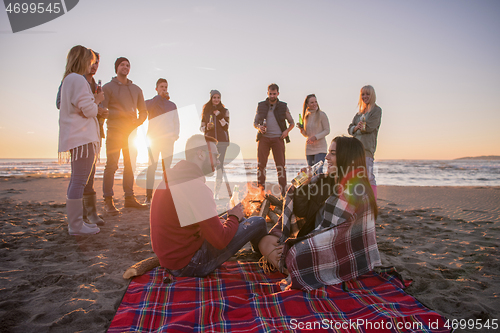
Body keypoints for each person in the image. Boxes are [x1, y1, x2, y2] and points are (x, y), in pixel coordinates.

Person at [258, 136, 381, 291]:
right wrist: (304, 186)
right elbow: (302, 213)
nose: (327, 157)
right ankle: (297, 270)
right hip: (311, 241)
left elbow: (340, 237)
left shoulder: (357, 191)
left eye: (333, 153)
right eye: (328, 152)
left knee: (296, 254)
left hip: (335, 251)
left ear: (347, 158)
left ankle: (295, 269)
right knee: (265, 242)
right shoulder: (322, 181)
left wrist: (296, 245)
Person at [150, 134, 267, 277]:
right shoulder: (196, 187)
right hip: (189, 265)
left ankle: (260, 252)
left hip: (171, 260)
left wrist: (230, 217)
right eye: (216, 155)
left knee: (233, 218)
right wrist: (234, 217)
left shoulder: (171, 180)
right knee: (258, 222)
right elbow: (220, 241)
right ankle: (263, 257)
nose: (218, 161)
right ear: (201, 154)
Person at [58, 45, 108, 235]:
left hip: (77, 138)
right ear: (84, 60)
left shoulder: (68, 80)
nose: (92, 64)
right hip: (83, 139)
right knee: (79, 181)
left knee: (76, 181)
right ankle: (76, 226)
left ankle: (77, 223)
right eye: (91, 61)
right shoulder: (78, 80)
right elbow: (89, 110)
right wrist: (97, 99)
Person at [102, 57, 148, 212]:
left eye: (128, 65)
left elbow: (143, 112)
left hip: (131, 134)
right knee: (112, 165)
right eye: (122, 65)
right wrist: (121, 113)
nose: (125, 67)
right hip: (114, 131)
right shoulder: (108, 88)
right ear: (116, 68)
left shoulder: (136, 89)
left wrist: (137, 122)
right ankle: (108, 201)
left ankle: (129, 198)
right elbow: (102, 110)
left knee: (130, 165)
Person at [253, 83, 294, 197]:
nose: (272, 96)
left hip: (278, 139)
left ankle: (284, 194)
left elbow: (292, 123)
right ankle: (260, 194)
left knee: (280, 166)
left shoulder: (283, 106)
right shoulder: (261, 105)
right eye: (270, 94)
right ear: (267, 93)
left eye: (274, 94)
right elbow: (255, 122)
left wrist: (286, 132)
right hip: (264, 139)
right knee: (261, 166)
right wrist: (259, 127)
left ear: (278, 94)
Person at [144, 78, 179, 203]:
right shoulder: (152, 102)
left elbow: (176, 121)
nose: (164, 89)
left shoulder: (172, 105)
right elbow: (145, 107)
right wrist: (159, 97)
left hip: (167, 142)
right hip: (154, 140)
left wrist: (175, 136)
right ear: (157, 89)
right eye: (161, 87)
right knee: (151, 168)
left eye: (165, 87)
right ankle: (148, 197)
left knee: (167, 169)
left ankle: (165, 196)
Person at [347, 85, 382, 199]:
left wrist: (359, 128)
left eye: (367, 94)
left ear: (372, 95)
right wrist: (356, 128)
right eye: (363, 94)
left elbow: (369, 128)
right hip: (355, 149)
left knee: (368, 176)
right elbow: (350, 129)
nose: (365, 96)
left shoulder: (376, 110)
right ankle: (358, 201)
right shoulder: (359, 113)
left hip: (366, 148)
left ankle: (373, 201)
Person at [200, 90, 229, 199]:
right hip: (209, 142)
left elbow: (226, 126)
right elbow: (201, 127)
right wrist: (206, 127)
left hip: (222, 142)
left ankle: (216, 193)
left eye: (218, 97)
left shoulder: (225, 111)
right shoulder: (206, 111)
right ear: (211, 98)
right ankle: (203, 189)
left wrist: (220, 115)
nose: (216, 100)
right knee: (206, 164)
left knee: (219, 166)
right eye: (214, 97)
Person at [297, 94, 330, 166]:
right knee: (311, 173)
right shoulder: (306, 117)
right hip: (309, 149)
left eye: (315, 101)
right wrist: (301, 129)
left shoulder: (322, 114)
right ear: (307, 104)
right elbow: (306, 134)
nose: (314, 104)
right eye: (312, 102)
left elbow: (327, 130)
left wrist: (315, 137)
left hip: (321, 148)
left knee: (318, 171)